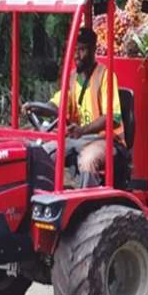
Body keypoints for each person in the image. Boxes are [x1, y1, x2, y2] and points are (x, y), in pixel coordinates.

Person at [23, 27, 125, 188]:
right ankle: (43, 199)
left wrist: (82, 130)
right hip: (78, 138)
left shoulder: (106, 76)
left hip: (106, 140)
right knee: (43, 153)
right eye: (75, 50)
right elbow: (56, 105)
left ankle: (89, 204)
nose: (76, 55)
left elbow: (113, 118)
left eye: (82, 50)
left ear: (93, 50)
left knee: (87, 160)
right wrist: (35, 108)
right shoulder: (72, 78)